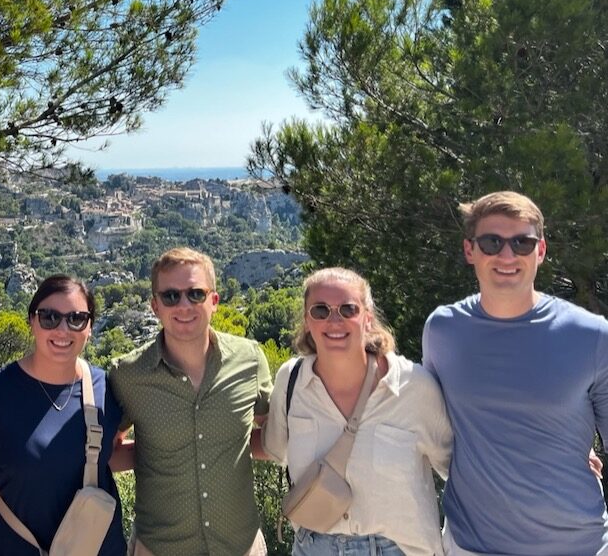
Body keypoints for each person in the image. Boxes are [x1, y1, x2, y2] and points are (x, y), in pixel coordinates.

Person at [423, 191, 608, 555]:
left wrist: (568, 444)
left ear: (540, 251)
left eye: (522, 243)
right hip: (471, 545)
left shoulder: (593, 336)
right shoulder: (442, 331)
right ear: (470, 250)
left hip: (577, 545)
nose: (507, 255)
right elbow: (437, 428)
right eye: (492, 242)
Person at [262, 267, 451, 555]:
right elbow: (273, 448)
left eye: (347, 309)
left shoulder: (413, 386)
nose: (334, 320)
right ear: (307, 320)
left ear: (367, 318)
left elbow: (457, 471)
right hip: (314, 547)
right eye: (321, 310)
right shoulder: (290, 382)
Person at [109, 247, 273, 556]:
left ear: (214, 301)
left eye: (195, 294)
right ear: (155, 306)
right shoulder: (128, 375)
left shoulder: (250, 360)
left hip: (240, 546)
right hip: (160, 549)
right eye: (171, 296)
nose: (184, 305)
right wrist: (154, 452)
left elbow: (273, 438)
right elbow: (110, 452)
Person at [0, 274, 126, 555]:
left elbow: (109, 453)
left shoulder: (106, 389)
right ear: (32, 321)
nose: (62, 329)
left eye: (76, 319)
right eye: (49, 317)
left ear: (90, 327)